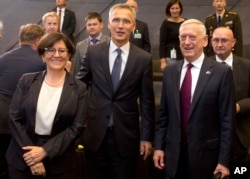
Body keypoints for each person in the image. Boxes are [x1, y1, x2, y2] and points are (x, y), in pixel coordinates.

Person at [76, 3, 155, 179]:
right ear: (109, 23)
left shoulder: (143, 58)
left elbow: (147, 102)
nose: (120, 25)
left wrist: (146, 137)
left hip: (126, 136)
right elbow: (79, 86)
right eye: (116, 20)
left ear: (133, 26)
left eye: (126, 21)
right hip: (94, 134)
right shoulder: (93, 52)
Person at [153, 19, 235, 179]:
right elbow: (163, 115)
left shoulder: (221, 72)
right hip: (173, 157)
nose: (186, 42)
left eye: (192, 37)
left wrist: (224, 161)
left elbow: (227, 120)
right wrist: (159, 147)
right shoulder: (170, 72)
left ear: (205, 41)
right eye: (183, 37)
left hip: (206, 159)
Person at [5, 32, 87, 178]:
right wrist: (33, 158)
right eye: (50, 50)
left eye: (62, 50)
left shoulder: (79, 88)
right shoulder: (26, 81)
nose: (57, 55)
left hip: (59, 160)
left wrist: (44, 151)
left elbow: (77, 127)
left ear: (69, 55)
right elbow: (14, 117)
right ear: (43, 55)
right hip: (22, 156)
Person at [0, 24, 45, 178]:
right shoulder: (42, 63)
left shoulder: (3, 58)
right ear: (38, 41)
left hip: (1, 122)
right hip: (25, 126)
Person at [210, 27, 250, 179]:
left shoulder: (247, 66)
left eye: (224, 40)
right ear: (210, 42)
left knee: (238, 173)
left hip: (239, 139)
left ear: (233, 42)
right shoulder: (202, 67)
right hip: (210, 140)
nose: (219, 44)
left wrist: (239, 107)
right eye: (216, 40)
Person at [71, 12, 110, 76]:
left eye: (94, 24)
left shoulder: (110, 42)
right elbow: (76, 70)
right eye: (89, 25)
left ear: (101, 25)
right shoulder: (80, 46)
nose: (92, 27)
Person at [159, 0, 185, 71]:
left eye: (177, 8)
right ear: (169, 10)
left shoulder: (185, 22)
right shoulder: (165, 24)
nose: (175, 10)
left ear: (180, 9)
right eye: (172, 8)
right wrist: (163, 61)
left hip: (184, 56)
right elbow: (162, 43)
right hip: (170, 58)